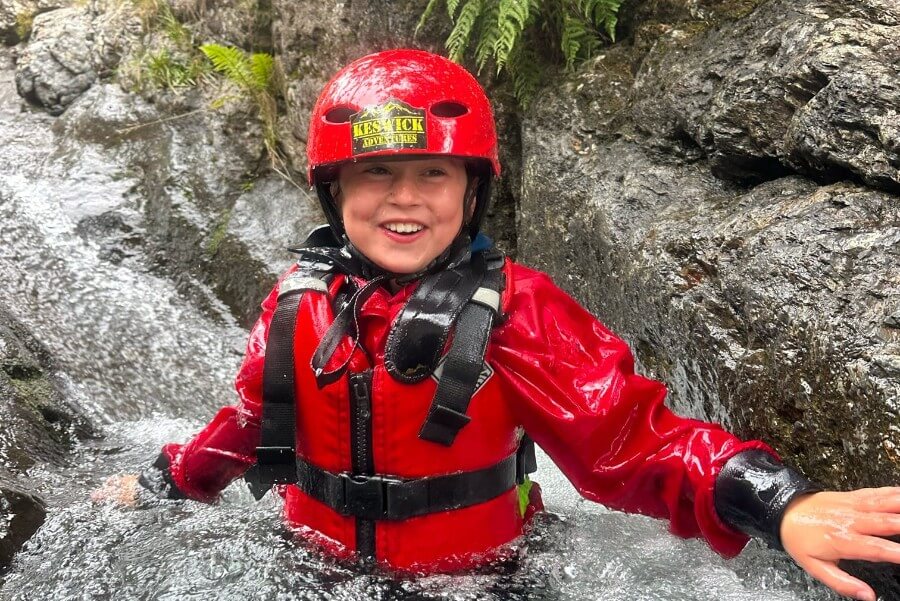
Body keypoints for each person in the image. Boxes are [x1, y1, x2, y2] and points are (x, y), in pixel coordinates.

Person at [95, 49, 900, 600]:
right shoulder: (295, 303)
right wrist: (167, 482)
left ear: (471, 192)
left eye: (433, 174)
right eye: (376, 173)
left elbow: (633, 434)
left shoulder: (519, 309)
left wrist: (775, 499)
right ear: (334, 192)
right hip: (318, 568)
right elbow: (245, 423)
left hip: (487, 577)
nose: (405, 198)